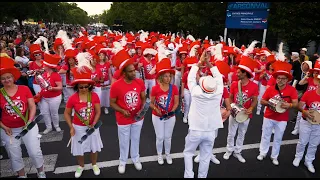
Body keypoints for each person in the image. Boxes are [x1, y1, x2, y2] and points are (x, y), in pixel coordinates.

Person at [0, 57, 46, 178]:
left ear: (13, 77)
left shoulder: (24, 89)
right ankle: (21, 175)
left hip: (27, 125)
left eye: (8, 77)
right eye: (3, 78)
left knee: (34, 151)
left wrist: (30, 121)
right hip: (8, 129)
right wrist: (4, 127)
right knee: (14, 154)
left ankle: (41, 171)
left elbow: (32, 106)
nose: (6, 80)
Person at [183, 51, 224, 178]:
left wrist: (200, 62)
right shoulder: (218, 92)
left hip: (196, 130)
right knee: (206, 156)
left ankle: (189, 175)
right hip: (211, 131)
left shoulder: (195, 92)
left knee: (188, 153)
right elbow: (218, 77)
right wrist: (208, 63)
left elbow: (190, 78)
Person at [257, 50, 298, 166]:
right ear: (276, 78)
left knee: (278, 138)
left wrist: (289, 105)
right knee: (265, 135)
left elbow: (295, 103)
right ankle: (263, 152)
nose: (280, 80)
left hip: (282, 118)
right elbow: (262, 100)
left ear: (287, 79)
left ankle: (274, 156)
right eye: (279, 78)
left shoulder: (292, 90)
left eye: (283, 78)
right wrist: (271, 104)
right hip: (269, 116)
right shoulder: (270, 88)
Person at [64, 58, 103, 178]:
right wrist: (71, 127)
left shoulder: (95, 96)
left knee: (93, 147)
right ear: (77, 87)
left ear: (90, 86)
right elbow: (66, 113)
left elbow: (98, 111)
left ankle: (94, 164)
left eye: (86, 86)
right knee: (79, 147)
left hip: (92, 126)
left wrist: (95, 122)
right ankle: (81, 165)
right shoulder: (73, 98)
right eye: (81, 87)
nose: (84, 89)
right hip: (78, 127)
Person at [110, 49, 146, 174]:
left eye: (134, 70)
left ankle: (136, 158)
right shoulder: (116, 86)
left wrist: (141, 110)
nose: (134, 73)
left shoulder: (140, 82)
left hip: (137, 118)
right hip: (123, 119)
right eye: (130, 71)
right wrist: (121, 110)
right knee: (124, 141)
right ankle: (123, 161)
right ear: (124, 73)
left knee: (136, 139)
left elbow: (143, 98)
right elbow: (112, 102)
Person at [223, 56, 259, 163]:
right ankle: (229, 150)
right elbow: (229, 97)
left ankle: (238, 151)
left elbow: (254, 99)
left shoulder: (254, 86)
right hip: (234, 113)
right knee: (231, 133)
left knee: (242, 133)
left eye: (239, 72)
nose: (236, 74)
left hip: (246, 114)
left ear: (245, 73)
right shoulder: (234, 84)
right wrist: (229, 107)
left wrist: (251, 108)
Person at [149, 58, 179, 165]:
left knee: (168, 137)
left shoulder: (174, 88)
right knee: (160, 137)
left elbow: (176, 103)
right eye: (166, 76)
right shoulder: (155, 89)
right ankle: (159, 155)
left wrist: (171, 111)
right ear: (161, 77)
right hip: (157, 116)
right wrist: (156, 109)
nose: (168, 78)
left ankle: (167, 154)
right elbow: (151, 103)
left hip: (170, 116)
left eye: (169, 76)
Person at [292, 77, 320, 173]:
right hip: (306, 121)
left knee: (314, 144)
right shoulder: (309, 93)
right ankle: (298, 157)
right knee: (302, 141)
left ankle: (309, 161)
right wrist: (305, 111)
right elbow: (299, 106)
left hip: (318, 125)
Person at [292, 63, 320, 135]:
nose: (315, 74)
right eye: (314, 73)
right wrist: (306, 76)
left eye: (317, 73)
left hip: (316, 101)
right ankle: (297, 129)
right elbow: (300, 83)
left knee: (315, 115)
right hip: (306, 99)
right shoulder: (310, 79)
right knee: (299, 115)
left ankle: (312, 131)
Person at [38, 53, 63, 134]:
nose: (43, 66)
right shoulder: (44, 74)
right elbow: (42, 85)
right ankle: (48, 127)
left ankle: (56, 126)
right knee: (45, 113)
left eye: (44, 65)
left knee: (54, 113)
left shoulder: (56, 75)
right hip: (44, 97)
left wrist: (52, 88)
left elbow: (60, 87)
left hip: (54, 97)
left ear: (48, 66)